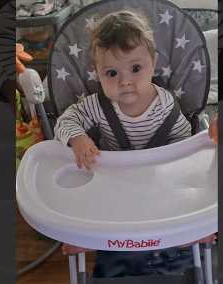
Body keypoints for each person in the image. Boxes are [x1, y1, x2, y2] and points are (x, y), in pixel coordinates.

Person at [53, 10, 193, 170]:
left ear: (153, 63)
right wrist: (77, 138)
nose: (125, 82)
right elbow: (64, 121)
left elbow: (184, 141)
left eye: (135, 68)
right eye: (112, 73)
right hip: (114, 175)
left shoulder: (165, 106)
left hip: (156, 175)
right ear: (98, 73)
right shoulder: (97, 106)